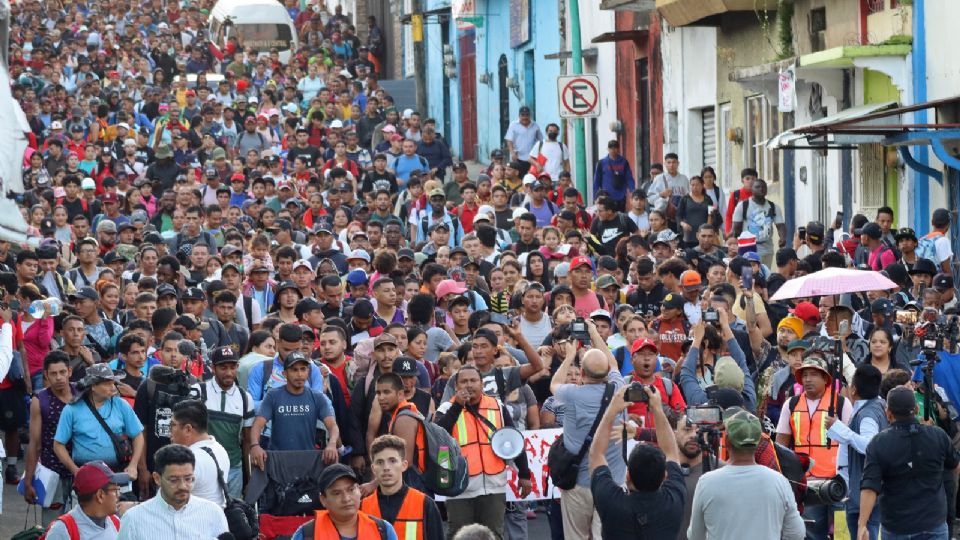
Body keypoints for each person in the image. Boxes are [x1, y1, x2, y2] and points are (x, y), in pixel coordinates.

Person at [434, 364, 532, 538]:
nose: (469, 385)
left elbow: (513, 439)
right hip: (460, 487)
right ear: (456, 387)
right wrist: (457, 406)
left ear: (482, 384)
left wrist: (524, 474)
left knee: (493, 534)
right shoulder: (446, 409)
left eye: (473, 380)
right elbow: (438, 438)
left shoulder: (497, 406)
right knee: (458, 535)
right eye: (464, 382)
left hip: (493, 485)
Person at [856, 385, 959, 540]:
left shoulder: (878, 443)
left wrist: (862, 525)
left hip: (897, 527)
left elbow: (870, 487)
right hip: (934, 523)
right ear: (917, 409)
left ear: (888, 413)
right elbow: (956, 466)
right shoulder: (938, 436)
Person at [687, 409, 805, 540]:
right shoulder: (779, 481)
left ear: (727, 443)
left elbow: (695, 535)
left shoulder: (706, 482)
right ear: (758, 442)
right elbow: (796, 533)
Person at [549, 336, 623, 539]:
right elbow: (614, 363)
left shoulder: (571, 393)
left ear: (581, 373)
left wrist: (570, 355)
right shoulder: (619, 389)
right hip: (612, 482)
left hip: (578, 484)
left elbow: (554, 383)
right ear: (608, 373)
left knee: (576, 536)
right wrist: (595, 334)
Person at [589, 384, 685, 539]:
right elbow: (672, 452)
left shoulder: (610, 500)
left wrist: (612, 410)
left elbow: (596, 453)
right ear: (664, 476)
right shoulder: (673, 500)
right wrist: (658, 410)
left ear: (628, 476)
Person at [775, 356, 852, 540]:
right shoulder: (791, 404)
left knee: (841, 535)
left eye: (814, 375)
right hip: (807, 484)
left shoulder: (841, 403)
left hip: (839, 482)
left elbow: (852, 441)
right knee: (811, 535)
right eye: (805, 375)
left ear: (826, 378)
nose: (808, 379)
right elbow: (781, 445)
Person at [53, 363, 145, 484]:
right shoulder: (72, 410)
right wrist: (75, 471)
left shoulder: (121, 405)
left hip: (119, 472)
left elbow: (138, 436)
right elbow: (58, 445)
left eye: (113, 383)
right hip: (87, 474)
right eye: (107, 384)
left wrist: (133, 465)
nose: (113, 388)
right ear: (93, 386)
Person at [826, 364, 887, 540]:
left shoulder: (867, 413)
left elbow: (870, 446)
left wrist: (839, 429)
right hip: (862, 489)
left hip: (864, 491)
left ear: (853, 389)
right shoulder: (875, 406)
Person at [118, 444, 229, 539]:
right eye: (174, 480)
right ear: (157, 478)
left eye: (188, 479)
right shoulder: (133, 519)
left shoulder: (213, 513)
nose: (182, 486)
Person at [249, 351, 340, 465]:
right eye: (294, 370)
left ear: (308, 372)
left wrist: (331, 444)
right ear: (284, 373)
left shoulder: (317, 397)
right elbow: (257, 425)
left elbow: (332, 425)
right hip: (278, 462)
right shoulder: (273, 396)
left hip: (308, 462)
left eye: (303, 369)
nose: (300, 374)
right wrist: (255, 446)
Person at [24, 351, 78, 522]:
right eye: (53, 373)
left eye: (62, 372)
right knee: (52, 526)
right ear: (46, 375)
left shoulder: (83, 394)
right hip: (52, 472)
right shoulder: (40, 400)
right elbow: (35, 444)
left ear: (69, 371)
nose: (59, 377)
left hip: (81, 469)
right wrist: (29, 480)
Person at [361, 434, 444, 540]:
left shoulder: (425, 504)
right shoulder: (362, 507)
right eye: (380, 462)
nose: (386, 467)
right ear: (373, 468)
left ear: (404, 465)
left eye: (392, 461)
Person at [200, 346, 254, 499]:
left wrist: (249, 479)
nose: (229, 372)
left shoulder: (245, 398)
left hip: (233, 468)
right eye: (223, 368)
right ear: (212, 368)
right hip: (204, 466)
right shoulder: (199, 391)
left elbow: (247, 441)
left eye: (232, 367)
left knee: (232, 515)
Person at [291, 463, 398, 540]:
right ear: (323, 500)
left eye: (351, 490)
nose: (346, 498)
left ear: (359, 491)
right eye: (337, 493)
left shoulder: (383, 530)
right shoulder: (307, 534)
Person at [42, 461, 125, 540]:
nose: (119, 495)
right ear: (100, 495)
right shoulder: (62, 531)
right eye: (115, 490)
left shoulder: (115, 522)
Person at [169, 400, 229, 508]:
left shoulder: (190, 460)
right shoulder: (220, 448)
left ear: (188, 429)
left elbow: (168, 503)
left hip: (194, 522)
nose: (170, 432)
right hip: (216, 520)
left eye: (173, 425)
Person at [731, 178, 786, 268]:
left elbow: (780, 225)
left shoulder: (773, 207)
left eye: (763, 187)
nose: (761, 189)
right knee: (751, 274)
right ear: (752, 189)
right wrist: (736, 246)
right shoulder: (743, 206)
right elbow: (735, 229)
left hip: (767, 249)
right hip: (749, 249)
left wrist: (782, 237)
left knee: (764, 274)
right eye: (757, 187)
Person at [592, 140, 635, 210]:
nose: (613, 150)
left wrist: (632, 190)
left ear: (618, 149)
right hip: (606, 197)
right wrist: (595, 197)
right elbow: (596, 181)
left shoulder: (624, 162)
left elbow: (629, 177)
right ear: (608, 149)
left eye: (615, 148)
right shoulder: (601, 163)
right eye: (611, 148)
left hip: (620, 197)